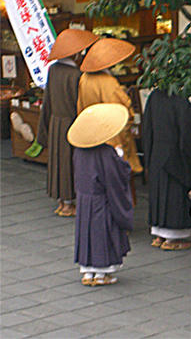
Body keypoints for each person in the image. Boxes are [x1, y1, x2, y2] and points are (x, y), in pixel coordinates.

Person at [67, 103, 134, 286]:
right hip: (101, 201)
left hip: (84, 198)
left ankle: (88, 272)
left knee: (86, 232)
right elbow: (115, 177)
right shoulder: (106, 153)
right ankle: (102, 274)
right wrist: (120, 156)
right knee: (102, 233)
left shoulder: (79, 151)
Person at [37, 29, 98, 217]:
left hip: (56, 121)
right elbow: (80, 103)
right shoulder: (76, 75)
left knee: (58, 161)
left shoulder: (54, 70)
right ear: (76, 53)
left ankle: (61, 202)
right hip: (72, 122)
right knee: (71, 162)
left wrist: (44, 129)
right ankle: (69, 203)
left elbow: (47, 101)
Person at [78, 38, 143, 205]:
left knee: (98, 177)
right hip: (112, 137)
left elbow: (80, 107)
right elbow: (122, 111)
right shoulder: (108, 82)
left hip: (92, 134)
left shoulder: (84, 78)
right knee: (118, 179)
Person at [143, 89, 191, 250]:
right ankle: (173, 238)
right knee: (174, 195)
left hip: (157, 153)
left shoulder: (154, 96)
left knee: (159, 194)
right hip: (176, 156)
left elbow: (147, 127)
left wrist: (148, 156)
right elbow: (190, 133)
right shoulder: (181, 101)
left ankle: (159, 235)